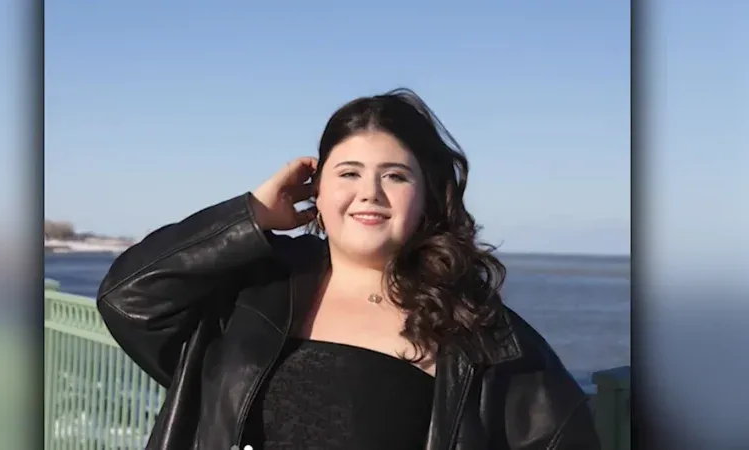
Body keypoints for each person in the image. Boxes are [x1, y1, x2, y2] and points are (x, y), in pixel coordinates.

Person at [97, 88, 600, 450]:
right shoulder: (251, 288)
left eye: (396, 176)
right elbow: (127, 297)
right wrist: (250, 215)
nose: (370, 193)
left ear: (426, 198)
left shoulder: (475, 331)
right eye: (349, 173)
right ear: (317, 190)